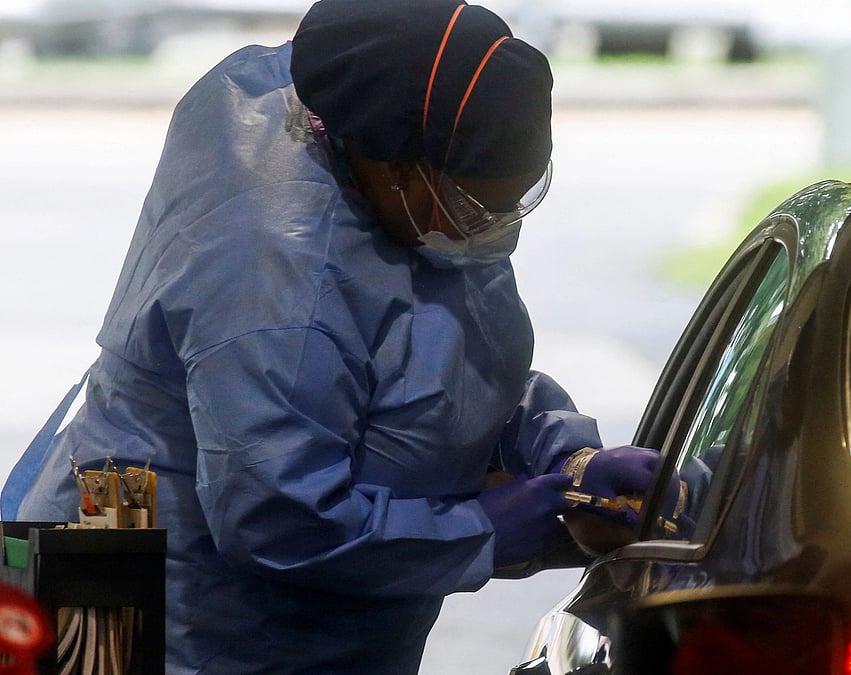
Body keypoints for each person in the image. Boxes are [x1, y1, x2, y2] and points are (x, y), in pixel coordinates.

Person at [0, 0, 665, 672]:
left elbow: (438, 353)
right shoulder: (279, 282)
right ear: (392, 162)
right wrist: (483, 531)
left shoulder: (364, 120)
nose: (494, 229)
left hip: (204, 530)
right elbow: (280, 518)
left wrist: (559, 448)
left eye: (516, 203)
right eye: (475, 206)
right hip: (131, 557)